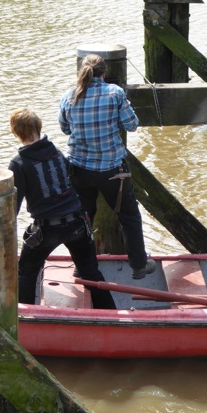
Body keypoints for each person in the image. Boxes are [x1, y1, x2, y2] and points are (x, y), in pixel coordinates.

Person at [58, 53, 156, 280]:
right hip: (113, 172)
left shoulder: (68, 96)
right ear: (105, 73)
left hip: (79, 170)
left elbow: (64, 128)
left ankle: (81, 266)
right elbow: (132, 125)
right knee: (129, 215)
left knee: (83, 218)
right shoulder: (115, 93)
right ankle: (139, 265)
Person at [8, 107, 116, 309]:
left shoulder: (18, 163)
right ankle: (111, 315)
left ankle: (26, 317)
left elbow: (14, 205)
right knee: (90, 272)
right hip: (77, 222)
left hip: (47, 228)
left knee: (26, 272)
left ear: (16, 133)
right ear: (39, 128)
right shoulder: (57, 153)